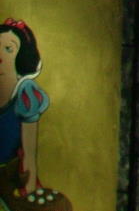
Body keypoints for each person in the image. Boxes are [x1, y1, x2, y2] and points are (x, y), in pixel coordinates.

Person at [0, 19, 70, 210]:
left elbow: (29, 153)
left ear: (21, 56)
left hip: (8, 175)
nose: (0, 56)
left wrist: (29, 194)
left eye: (8, 49)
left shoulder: (26, 94)